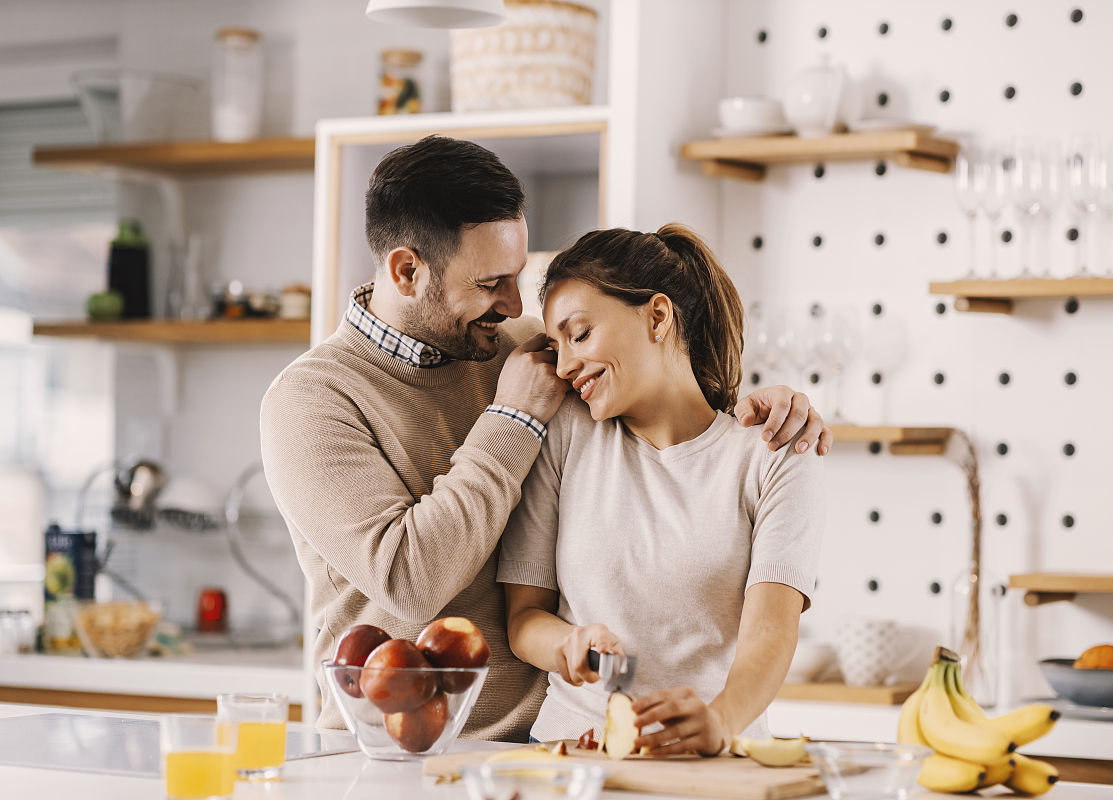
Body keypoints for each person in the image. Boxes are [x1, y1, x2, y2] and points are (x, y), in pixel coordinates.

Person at [260, 135, 831, 741]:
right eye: (491, 282)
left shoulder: (523, 346)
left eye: (518, 277)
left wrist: (763, 407)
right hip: (394, 753)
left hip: (545, 747)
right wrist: (512, 421)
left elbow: (655, 382)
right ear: (407, 270)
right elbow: (409, 580)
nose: (511, 305)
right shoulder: (310, 402)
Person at [499, 224, 823, 755]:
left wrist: (719, 722)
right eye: (555, 346)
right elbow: (524, 619)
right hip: (571, 754)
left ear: (657, 317)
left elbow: (771, 631)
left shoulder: (775, 453)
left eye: (579, 334)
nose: (563, 366)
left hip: (714, 758)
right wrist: (568, 644)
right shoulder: (565, 432)